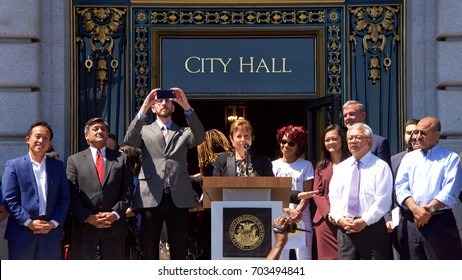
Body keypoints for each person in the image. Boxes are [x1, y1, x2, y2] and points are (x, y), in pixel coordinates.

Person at [123, 87, 205, 260]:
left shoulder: (183, 132)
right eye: (159, 101)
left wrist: (187, 106)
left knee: (179, 248)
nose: (163, 104)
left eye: (167, 101)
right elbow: (129, 139)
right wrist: (144, 107)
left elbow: (199, 136)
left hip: (178, 196)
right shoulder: (145, 131)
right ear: (153, 107)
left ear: (173, 107)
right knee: (149, 248)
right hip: (151, 195)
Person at [395, 117, 462, 259]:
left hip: (439, 224)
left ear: (437, 134)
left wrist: (428, 211)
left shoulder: (450, 158)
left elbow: (450, 191)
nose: (418, 136)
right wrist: (415, 209)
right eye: (417, 132)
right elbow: (400, 187)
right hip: (412, 223)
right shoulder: (409, 158)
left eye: (423, 133)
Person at [1, 121, 70, 259]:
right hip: (22, 233)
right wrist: (29, 222)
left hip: (50, 234)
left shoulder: (58, 166)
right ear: (28, 139)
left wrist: (53, 223)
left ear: (49, 143)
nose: (41, 141)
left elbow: (64, 199)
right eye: (37, 136)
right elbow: (9, 199)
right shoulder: (14, 165)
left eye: (45, 138)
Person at [67, 117, 132, 260]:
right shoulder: (74, 160)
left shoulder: (121, 158)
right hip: (85, 228)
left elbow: (127, 192)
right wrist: (87, 217)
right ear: (86, 135)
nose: (99, 131)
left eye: (103, 129)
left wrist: (114, 214)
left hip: (114, 227)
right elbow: (72, 193)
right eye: (95, 129)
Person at [329, 123, 393, 259]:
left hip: (372, 228)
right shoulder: (341, 168)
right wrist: (340, 219)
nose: (353, 141)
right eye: (350, 138)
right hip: (346, 229)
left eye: (358, 138)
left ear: (369, 142)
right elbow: (334, 199)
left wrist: (364, 220)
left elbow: (383, 200)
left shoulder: (380, 166)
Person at [271, 125, 318, 260]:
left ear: (298, 146)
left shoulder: (306, 165)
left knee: (303, 257)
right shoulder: (272, 165)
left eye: (291, 143)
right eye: (283, 141)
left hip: (301, 217)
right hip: (280, 216)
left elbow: (307, 193)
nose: (286, 146)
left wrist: (297, 212)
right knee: (281, 256)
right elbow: (273, 193)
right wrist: (287, 211)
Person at [189, 129, 233, 259]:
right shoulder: (232, 159)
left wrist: (196, 207)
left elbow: (213, 196)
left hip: (215, 219)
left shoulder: (212, 164)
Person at [312, 124, 351, 260]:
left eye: (334, 139)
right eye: (327, 140)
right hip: (325, 221)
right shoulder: (321, 165)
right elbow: (317, 192)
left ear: (342, 139)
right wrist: (328, 213)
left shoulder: (353, 163)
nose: (330, 142)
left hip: (348, 219)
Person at [387, 119, 419, 259]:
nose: (412, 136)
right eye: (408, 132)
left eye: (416, 132)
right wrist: (389, 217)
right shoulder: (394, 160)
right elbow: (389, 192)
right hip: (400, 220)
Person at [342, 100, 391, 167]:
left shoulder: (378, 142)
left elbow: (385, 172)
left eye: (351, 114)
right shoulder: (340, 142)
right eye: (345, 116)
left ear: (363, 116)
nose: (347, 118)